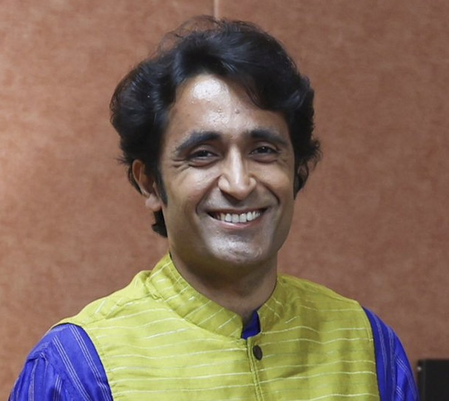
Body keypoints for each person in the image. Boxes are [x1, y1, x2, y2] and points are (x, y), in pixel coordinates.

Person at [10, 16, 418, 401]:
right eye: (203, 154)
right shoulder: (78, 366)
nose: (239, 184)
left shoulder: (368, 346)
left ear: (296, 169)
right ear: (150, 182)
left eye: (263, 150)